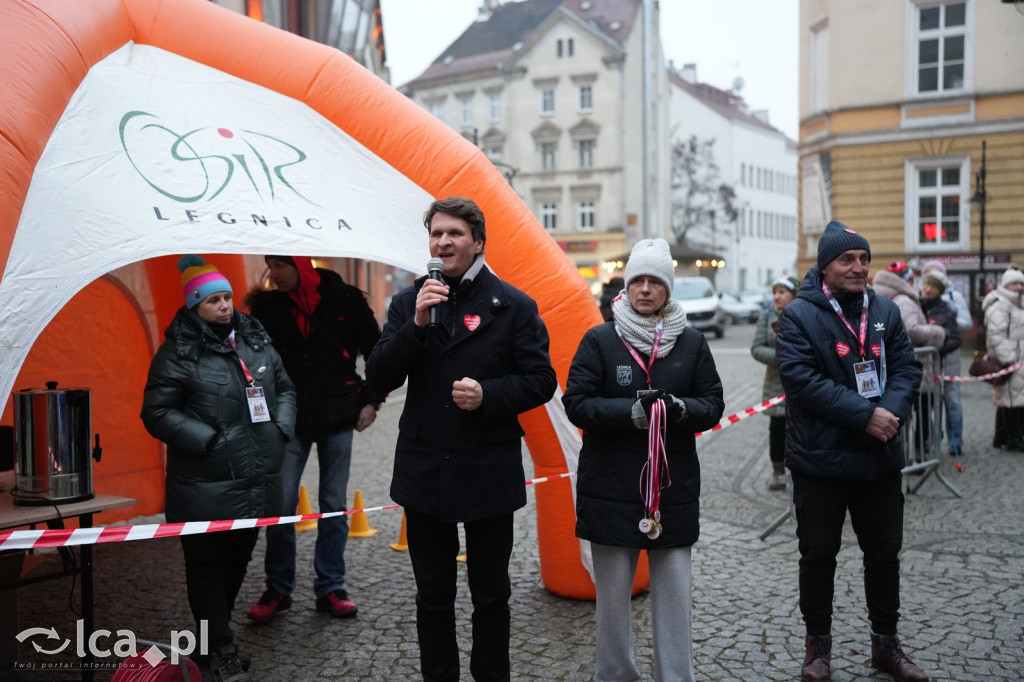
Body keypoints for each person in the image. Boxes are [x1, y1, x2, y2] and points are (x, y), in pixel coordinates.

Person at [365, 196, 557, 682]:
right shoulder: (410, 302)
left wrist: (489, 394)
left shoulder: (514, 305)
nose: (443, 242)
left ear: (478, 242)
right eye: (436, 234)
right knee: (433, 597)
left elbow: (541, 380)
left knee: (491, 596)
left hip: (486, 471)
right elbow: (380, 373)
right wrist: (416, 326)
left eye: (454, 233)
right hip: (425, 469)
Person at [562, 238, 725, 682]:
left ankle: (675, 676)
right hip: (610, 486)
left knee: (674, 596)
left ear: (668, 290)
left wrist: (680, 410)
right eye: (639, 281)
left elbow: (712, 403)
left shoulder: (691, 342)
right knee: (612, 599)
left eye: (656, 282)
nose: (647, 289)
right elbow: (575, 403)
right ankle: (615, 675)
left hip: (671, 490)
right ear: (627, 287)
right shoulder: (599, 338)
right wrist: (631, 413)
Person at [775, 221, 930, 682]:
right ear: (825, 266)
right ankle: (817, 647)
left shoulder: (884, 309)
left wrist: (890, 411)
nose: (859, 267)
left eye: (864, 258)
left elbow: (906, 366)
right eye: (848, 259)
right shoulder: (799, 315)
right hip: (820, 460)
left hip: (878, 457)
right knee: (818, 556)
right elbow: (801, 380)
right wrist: (865, 415)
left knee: (884, 554)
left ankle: (886, 643)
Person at [141, 255, 296, 682]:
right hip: (203, 486)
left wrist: (280, 428)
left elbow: (283, 387)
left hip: (255, 479)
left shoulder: (254, 339)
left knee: (238, 561)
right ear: (194, 307)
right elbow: (156, 411)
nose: (225, 306)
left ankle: (211, 639)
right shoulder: (177, 352)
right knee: (207, 567)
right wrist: (208, 439)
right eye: (213, 301)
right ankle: (224, 647)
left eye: (227, 297)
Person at [244, 256, 385, 623]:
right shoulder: (267, 307)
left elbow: (378, 353)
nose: (272, 275)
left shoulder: (347, 300)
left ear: (300, 266)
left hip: (339, 413)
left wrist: (372, 400)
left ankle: (331, 587)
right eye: (269, 266)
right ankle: (278, 587)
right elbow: (249, 362)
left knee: (334, 504)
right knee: (280, 505)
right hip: (288, 419)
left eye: (279, 266)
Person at [872, 261, 946, 458]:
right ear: (907, 279)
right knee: (918, 415)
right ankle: (916, 455)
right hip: (913, 369)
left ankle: (902, 455)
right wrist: (937, 332)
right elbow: (911, 329)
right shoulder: (904, 300)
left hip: (891, 370)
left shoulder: (878, 295)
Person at [751, 274, 801, 490]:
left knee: (801, 427)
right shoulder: (767, 315)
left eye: (782, 292)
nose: (777, 297)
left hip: (800, 381)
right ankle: (777, 471)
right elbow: (756, 347)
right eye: (775, 293)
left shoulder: (802, 314)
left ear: (794, 295)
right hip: (776, 382)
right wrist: (780, 358)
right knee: (778, 428)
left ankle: (800, 470)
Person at [920, 260, 971, 457]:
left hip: (949, 359)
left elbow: (964, 324)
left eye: (935, 275)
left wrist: (942, 328)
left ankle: (955, 441)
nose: (930, 280)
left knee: (952, 400)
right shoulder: (920, 300)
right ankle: (930, 438)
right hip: (928, 362)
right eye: (927, 275)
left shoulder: (952, 299)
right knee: (928, 402)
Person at [981, 267, 1024, 451]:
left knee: (1011, 400)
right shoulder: (1000, 304)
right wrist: (1010, 358)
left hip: (1019, 361)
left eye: (1021, 283)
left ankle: (1002, 437)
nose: (1019, 287)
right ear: (1006, 285)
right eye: (1015, 283)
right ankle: (1014, 438)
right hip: (1011, 361)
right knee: (1011, 402)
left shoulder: (1017, 303)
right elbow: (996, 335)